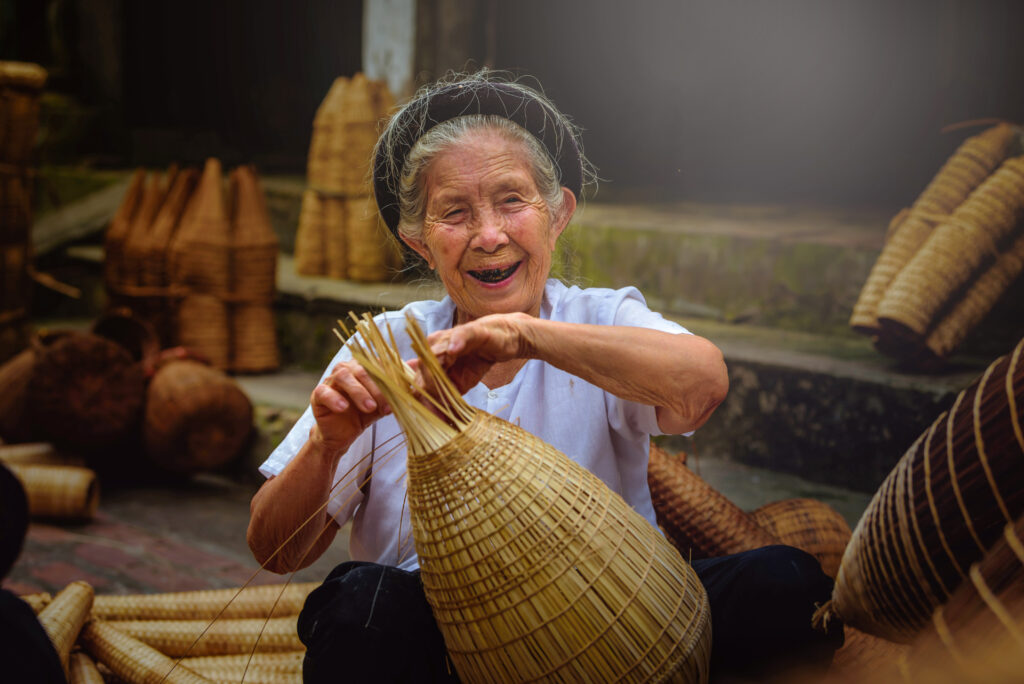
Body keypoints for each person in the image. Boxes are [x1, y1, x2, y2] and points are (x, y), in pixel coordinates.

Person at [247, 71, 842, 682]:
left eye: (512, 200)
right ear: (420, 242)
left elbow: (703, 385)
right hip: (451, 645)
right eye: (454, 212)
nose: (489, 234)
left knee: (787, 585)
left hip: (617, 623)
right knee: (357, 606)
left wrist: (526, 336)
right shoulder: (385, 350)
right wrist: (327, 443)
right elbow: (275, 551)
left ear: (558, 215)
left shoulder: (600, 321)